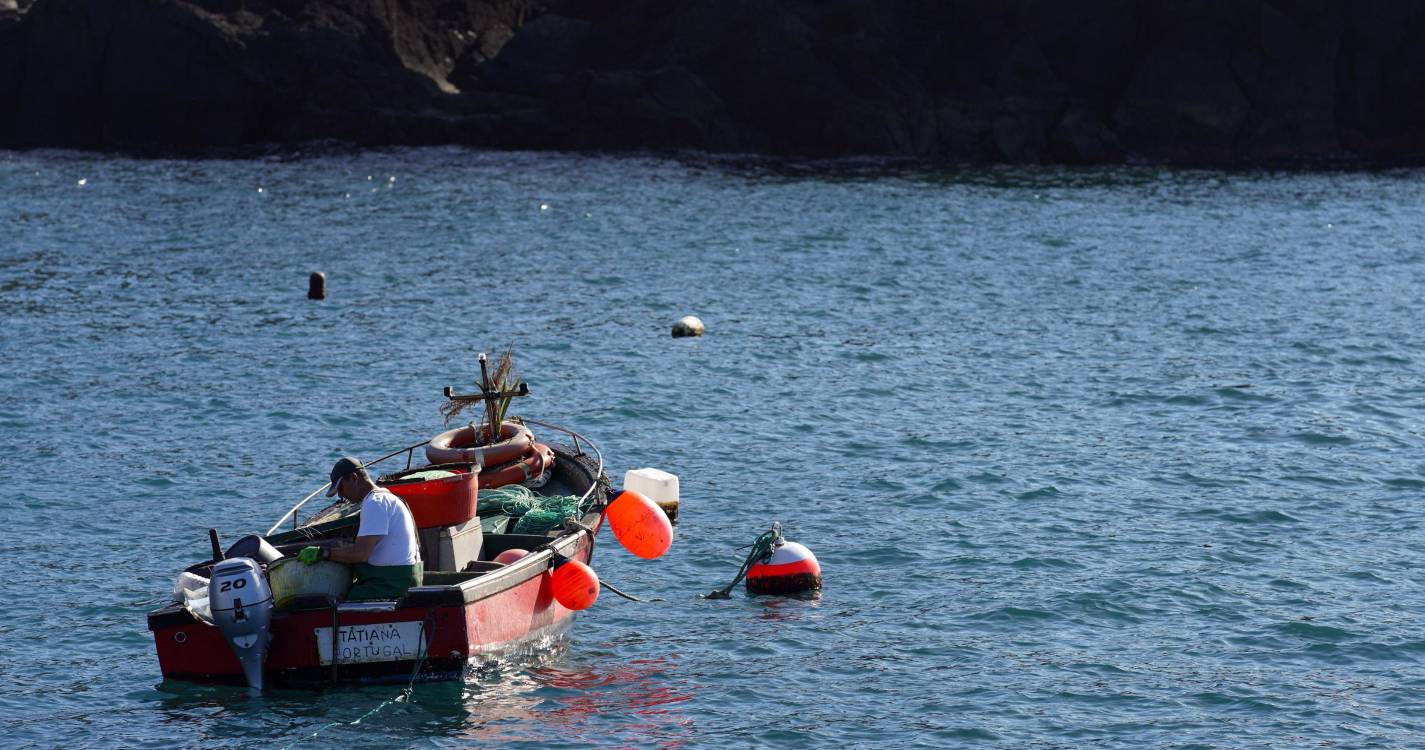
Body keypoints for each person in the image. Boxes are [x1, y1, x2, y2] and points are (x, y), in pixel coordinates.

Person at [298, 456, 423, 599]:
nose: (340, 495)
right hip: (401, 578)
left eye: (341, 488)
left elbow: (361, 554)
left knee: (335, 604)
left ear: (353, 477)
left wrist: (323, 553)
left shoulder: (375, 503)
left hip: (391, 585)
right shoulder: (386, 497)